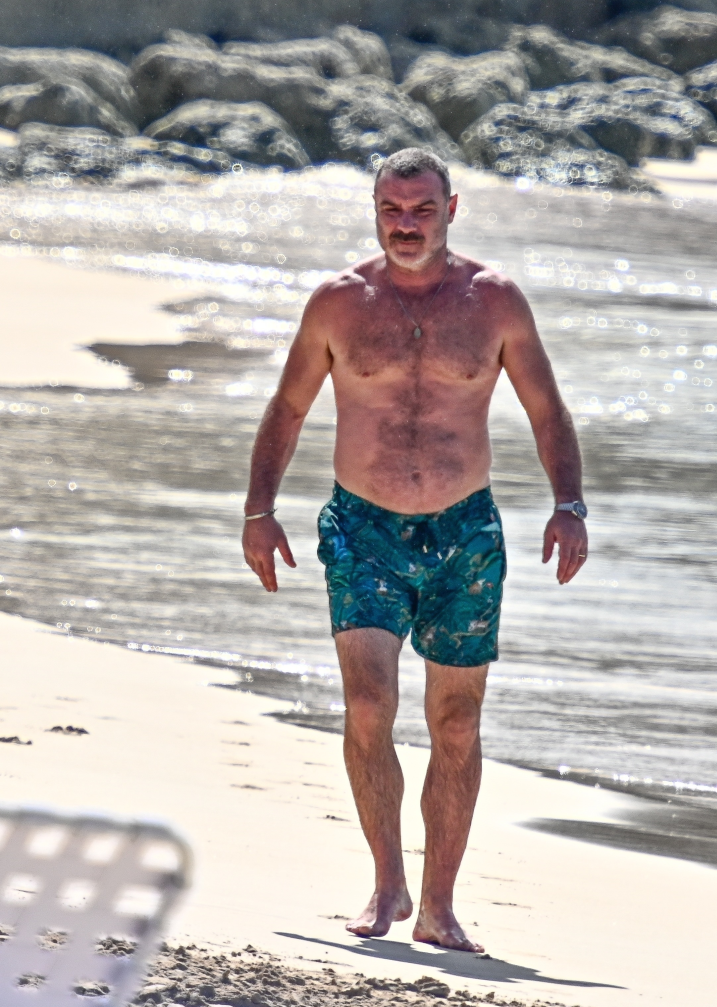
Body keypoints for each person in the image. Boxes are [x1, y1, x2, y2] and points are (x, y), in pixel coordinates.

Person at [242, 148, 588, 953]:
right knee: (369, 702)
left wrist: (568, 503)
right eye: (392, 209)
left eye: (422, 210)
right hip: (364, 529)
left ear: (452, 209)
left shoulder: (495, 301)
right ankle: (386, 880)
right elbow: (288, 408)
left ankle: (439, 905)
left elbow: (546, 410)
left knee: (457, 721)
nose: (405, 224)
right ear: (374, 208)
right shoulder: (338, 303)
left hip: (466, 532)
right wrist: (259, 509)